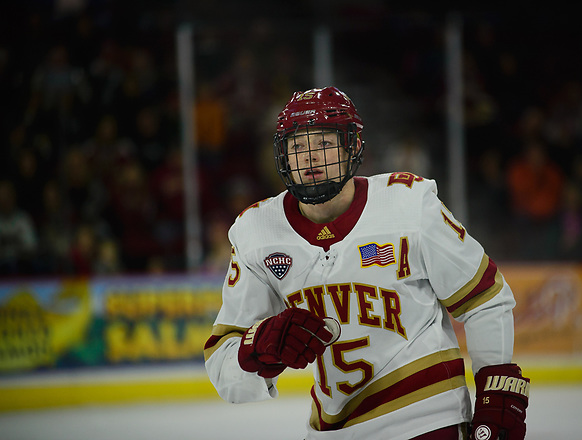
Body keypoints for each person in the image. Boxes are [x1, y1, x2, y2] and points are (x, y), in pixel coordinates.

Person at [204, 87, 529, 440]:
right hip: (333, 431)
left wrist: (495, 385)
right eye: (297, 146)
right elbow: (224, 370)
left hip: (428, 420)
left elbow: (485, 299)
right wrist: (260, 347)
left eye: (324, 143)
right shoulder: (256, 232)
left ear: (353, 147)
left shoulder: (407, 204)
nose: (310, 158)